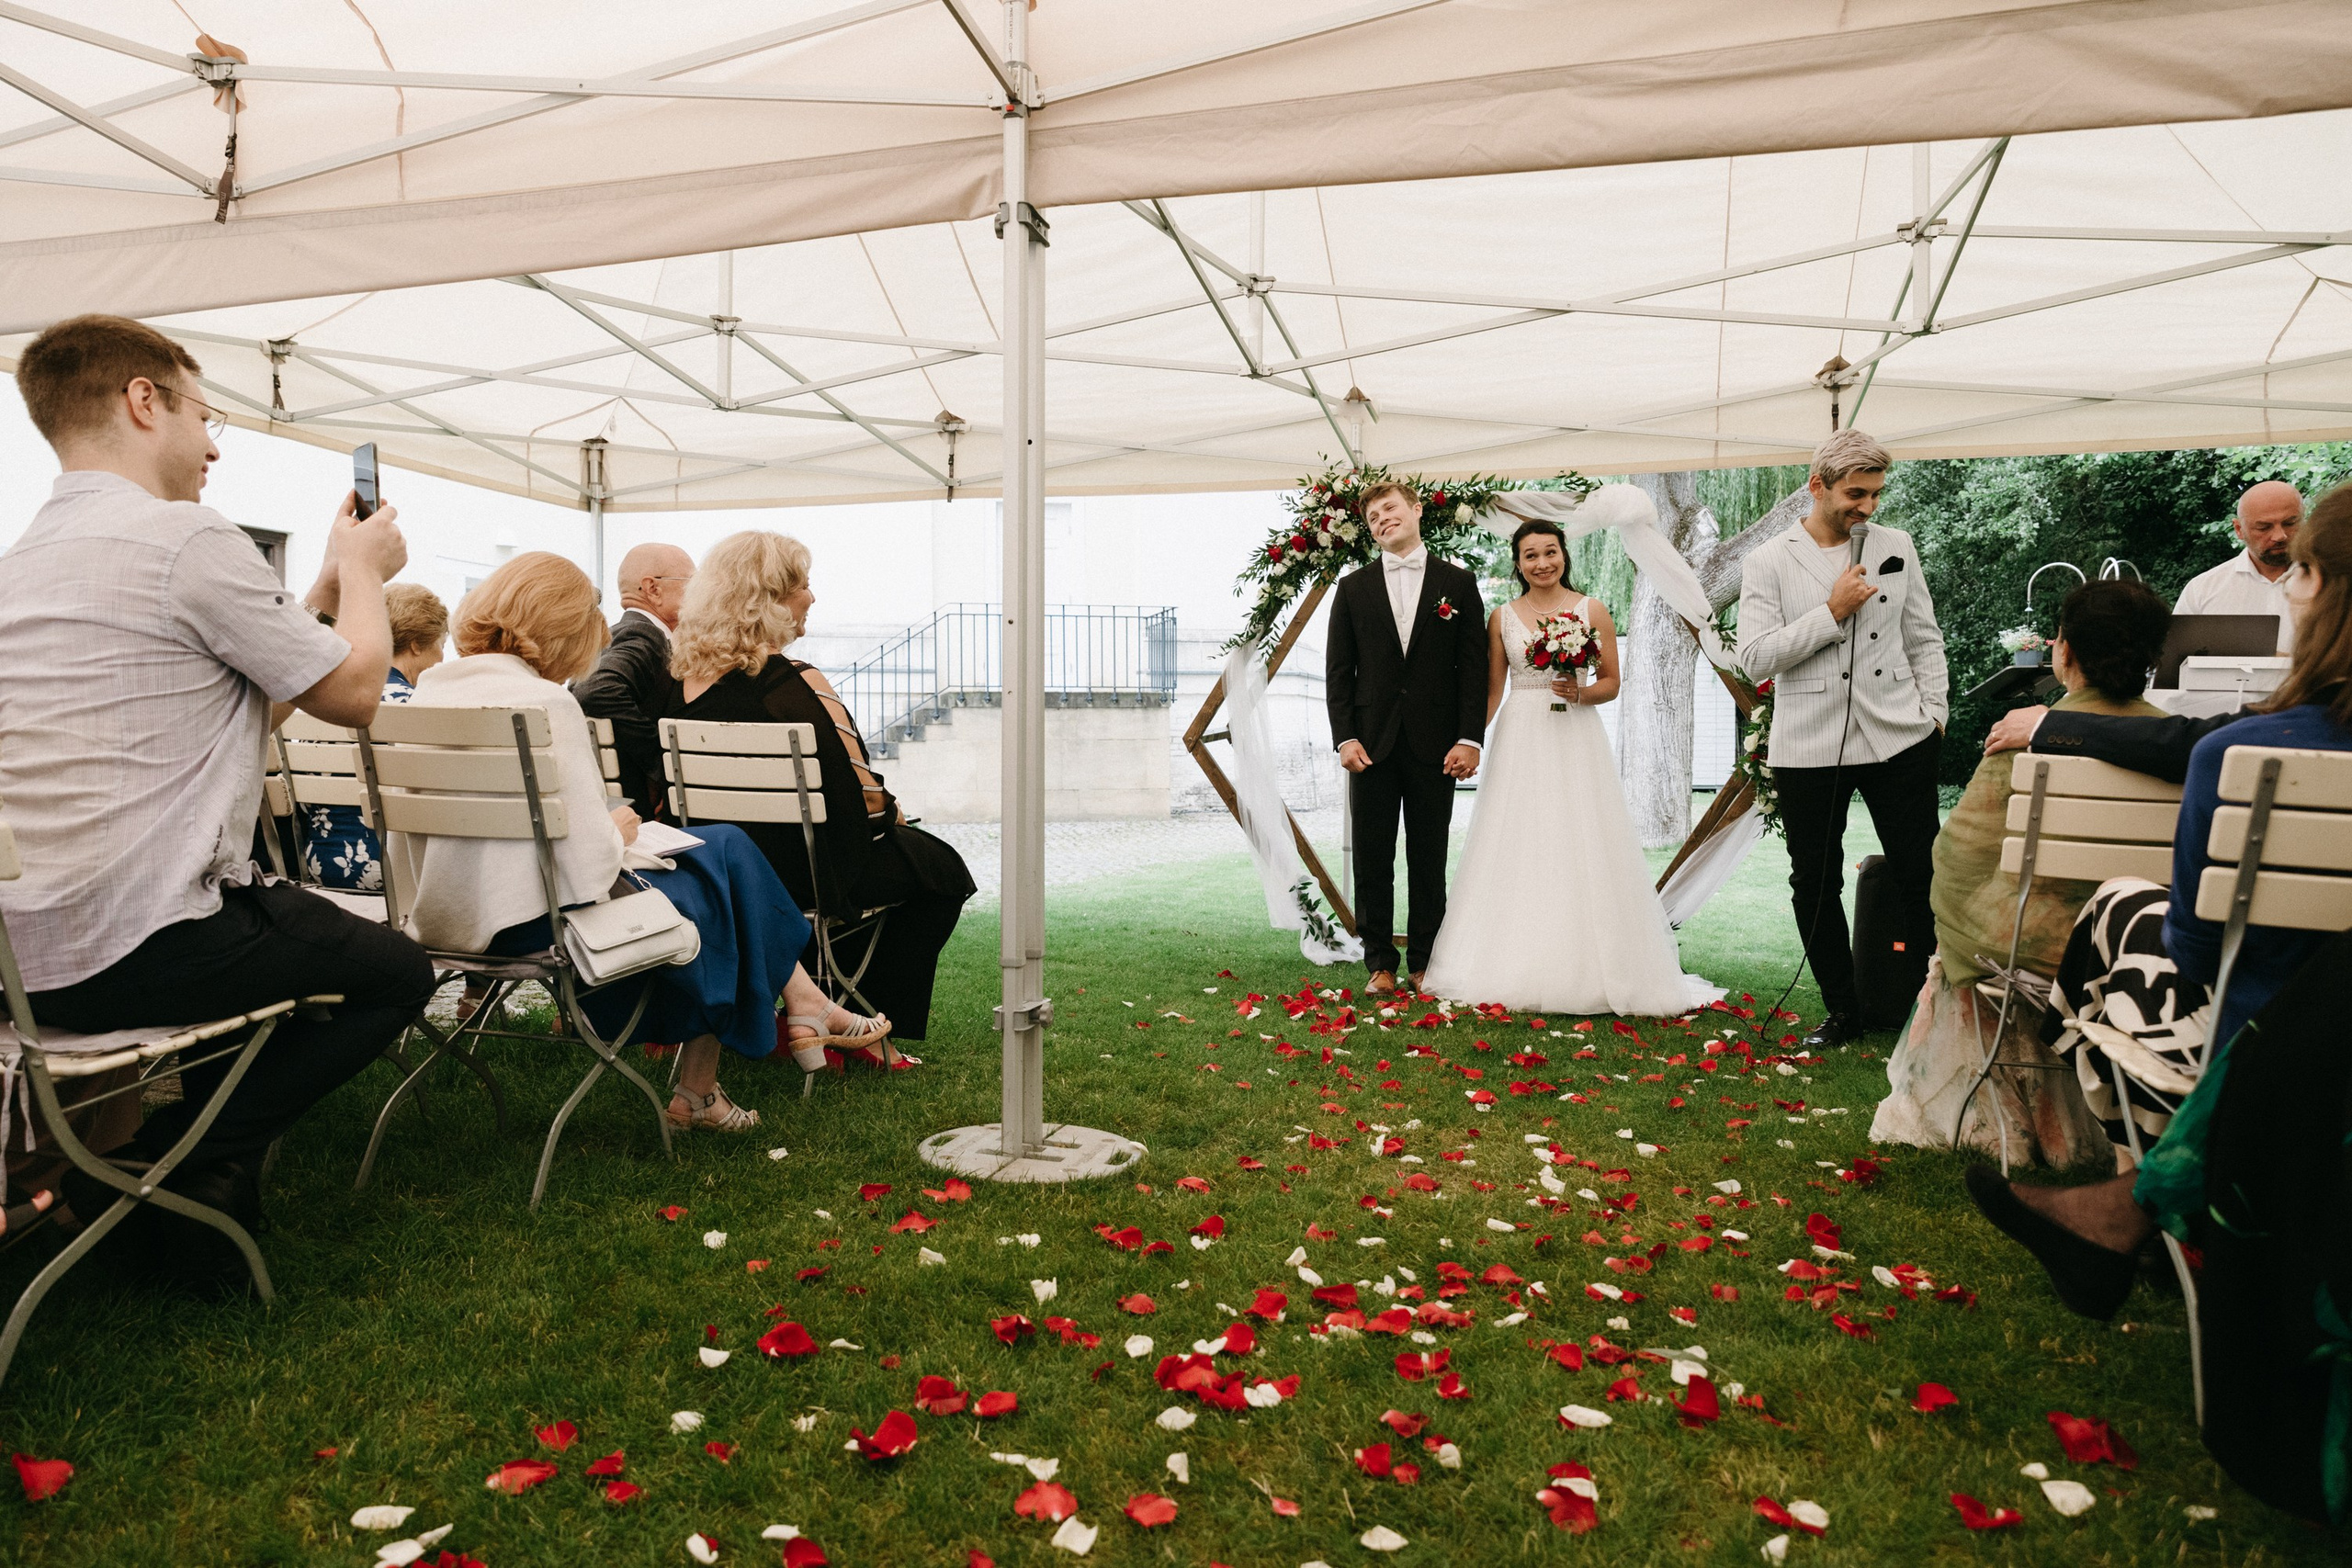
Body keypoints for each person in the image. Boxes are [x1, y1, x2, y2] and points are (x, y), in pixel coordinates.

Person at [0, 313, 435, 1276]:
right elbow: (357, 695)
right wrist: (366, 574)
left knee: (302, 939)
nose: (212, 447)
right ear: (143, 402)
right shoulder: (185, 537)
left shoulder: (21, 564)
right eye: (208, 417)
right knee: (398, 975)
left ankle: (177, 1177)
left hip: (25, 953)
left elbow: (251, 703)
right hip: (142, 939)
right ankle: (171, 1163)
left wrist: (323, 583)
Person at [1965, 491, 2352, 1520]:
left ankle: (2137, 1203)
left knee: (2129, 923)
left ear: (2326, 599)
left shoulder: (2245, 756)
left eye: (2304, 573)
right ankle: (2126, 1211)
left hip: (2271, 1061)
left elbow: (2193, 942)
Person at [393, 551, 887, 1134]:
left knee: (721, 848)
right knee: (725, 875)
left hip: (444, 916)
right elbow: (588, 864)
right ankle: (730, 1067)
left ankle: (791, 1015)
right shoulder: (547, 703)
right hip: (540, 923)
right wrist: (618, 829)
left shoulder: (429, 693)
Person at [1868, 579, 2173, 1165]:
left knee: (1960, 946)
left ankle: (1997, 1117)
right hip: (2131, 958)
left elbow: (1957, 859)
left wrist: (1959, 934)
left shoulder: (2025, 739)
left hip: (2019, 954)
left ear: (2064, 652)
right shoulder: (2177, 745)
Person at [664, 532, 974, 1060]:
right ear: (772, 599)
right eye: (805, 586)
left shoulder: (681, 688)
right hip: (811, 876)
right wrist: (892, 814)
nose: (813, 597)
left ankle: (812, 1004)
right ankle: (861, 1022)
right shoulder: (796, 682)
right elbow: (865, 797)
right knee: (941, 869)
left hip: (725, 876)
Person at [1420, 519, 1720, 1014]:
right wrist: (1469, 739)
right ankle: (1513, 957)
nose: (1542, 563)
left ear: (1564, 555)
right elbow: (1493, 691)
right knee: (1518, 837)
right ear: (1518, 563)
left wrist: (1578, 692)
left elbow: (1612, 683)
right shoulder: (1501, 617)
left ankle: (1591, 961)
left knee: (1578, 834)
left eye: (1550, 552)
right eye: (1531, 555)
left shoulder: (1591, 609)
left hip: (1575, 733)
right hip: (1520, 732)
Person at [1735, 429, 1949, 1048]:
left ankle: (1934, 1012)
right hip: (1809, 741)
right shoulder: (1768, 561)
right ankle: (1842, 1013)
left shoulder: (1896, 545)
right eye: (1857, 493)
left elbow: (1924, 637)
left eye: (1877, 493)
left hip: (1899, 737)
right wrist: (1830, 613)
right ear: (1818, 486)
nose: (1868, 507)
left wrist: (1935, 713)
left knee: (1922, 875)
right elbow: (1754, 658)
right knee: (1815, 880)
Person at [1325, 481, 1488, 995]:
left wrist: (1470, 738)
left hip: (1436, 746)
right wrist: (1344, 738)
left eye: (1389, 508)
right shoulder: (1352, 589)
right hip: (1370, 747)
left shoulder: (1458, 584)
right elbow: (1338, 672)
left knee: (1428, 855)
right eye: (1373, 516)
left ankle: (1425, 961)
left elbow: (1473, 669)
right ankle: (1379, 963)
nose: (1382, 519)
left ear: (1416, 511)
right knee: (1372, 857)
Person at [298, 582, 448, 890]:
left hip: (320, 867)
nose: (442, 658)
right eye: (440, 644)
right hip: (401, 876)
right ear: (417, 645)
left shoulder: (316, 707)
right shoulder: (420, 711)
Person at [575, 541, 695, 815]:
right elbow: (595, 690)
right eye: (692, 583)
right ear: (653, 589)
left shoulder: (617, 634)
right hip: (637, 808)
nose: (701, 594)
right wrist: (661, 765)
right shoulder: (644, 635)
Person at [2175, 479, 2302, 651]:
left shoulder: (2336, 580)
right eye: (2264, 527)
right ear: (2238, 529)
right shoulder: (2202, 590)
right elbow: (2176, 663)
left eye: (2290, 523)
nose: (2280, 536)